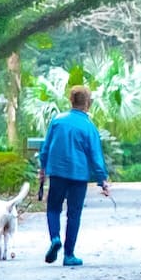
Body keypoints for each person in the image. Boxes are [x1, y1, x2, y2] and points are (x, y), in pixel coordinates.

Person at [39, 85, 111, 267]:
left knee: (53, 208)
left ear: (71, 100)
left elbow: (46, 147)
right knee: (74, 213)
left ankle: (55, 238)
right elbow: (95, 156)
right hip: (79, 175)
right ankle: (69, 255)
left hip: (57, 172)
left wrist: (43, 167)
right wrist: (102, 180)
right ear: (88, 103)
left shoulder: (57, 121)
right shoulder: (89, 127)